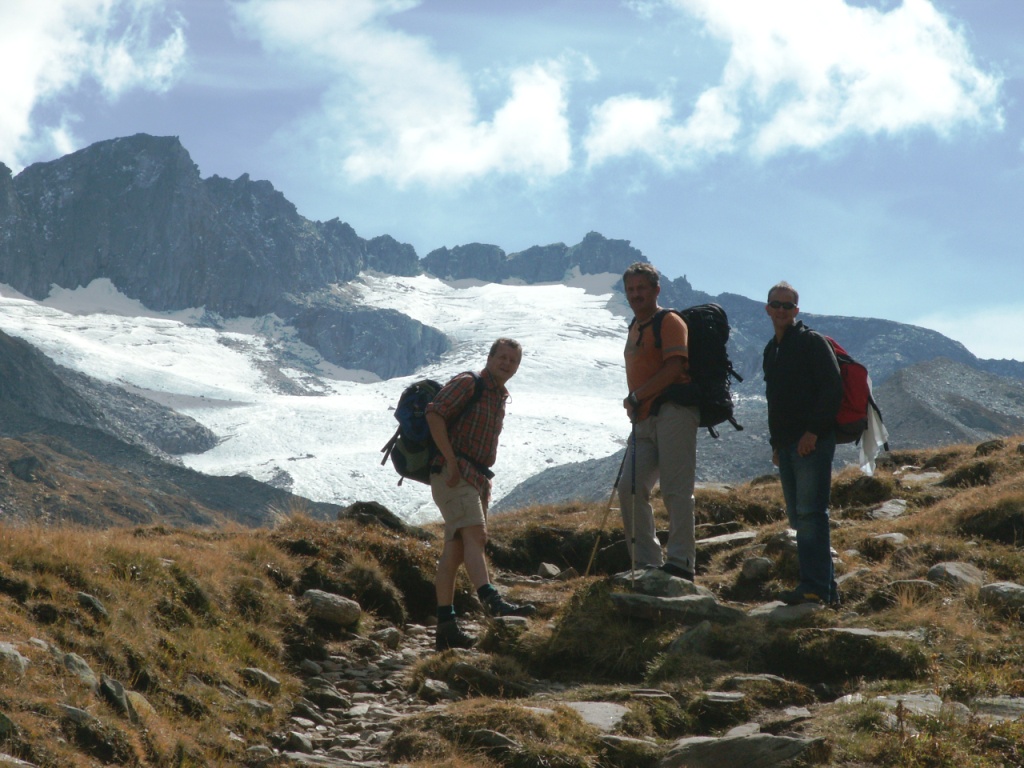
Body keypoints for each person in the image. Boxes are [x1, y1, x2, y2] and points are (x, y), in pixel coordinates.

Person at [426, 338, 536, 651]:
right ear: (489, 357)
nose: (506, 364)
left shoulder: (499, 395)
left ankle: (445, 627)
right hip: (454, 471)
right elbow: (434, 413)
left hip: (474, 476)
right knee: (476, 535)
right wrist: (450, 461)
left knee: (457, 549)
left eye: (513, 360)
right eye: (502, 357)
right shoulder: (469, 382)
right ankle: (492, 601)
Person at [763, 282, 843, 606]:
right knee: (800, 518)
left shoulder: (811, 342)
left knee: (811, 514)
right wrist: (776, 445)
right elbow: (774, 400)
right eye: (776, 305)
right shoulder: (772, 350)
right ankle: (826, 589)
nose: (781, 310)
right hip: (786, 446)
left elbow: (832, 388)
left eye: (787, 306)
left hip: (812, 442)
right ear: (767, 309)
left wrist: (813, 432)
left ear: (796, 310)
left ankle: (814, 588)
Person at [619, 262, 699, 580]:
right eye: (630, 289)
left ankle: (681, 562)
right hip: (644, 419)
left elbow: (675, 366)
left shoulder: (669, 321)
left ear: (656, 290)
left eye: (641, 288)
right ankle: (645, 562)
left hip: (674, 412)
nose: (635, 294)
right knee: (630, 487)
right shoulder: (635, 326)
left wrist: (637, 395)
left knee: (676, 489)